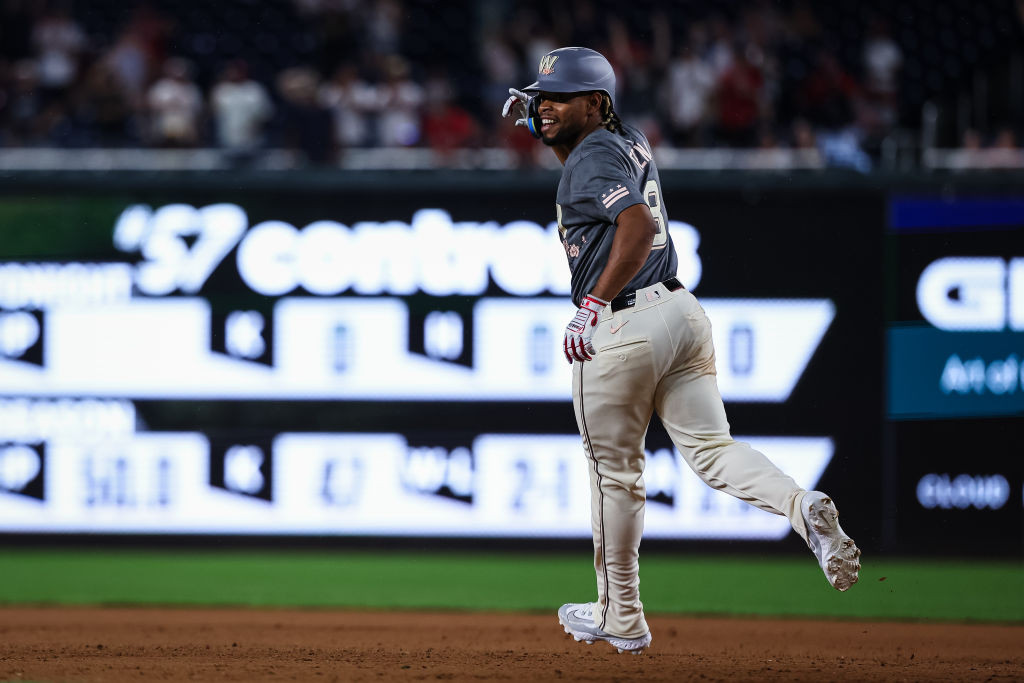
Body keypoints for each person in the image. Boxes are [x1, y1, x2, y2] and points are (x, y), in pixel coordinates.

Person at [502, 46, 860, 655]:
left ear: (597, 103)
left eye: (560, 98)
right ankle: (803, 507)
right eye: (541, 98)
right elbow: (595, 175)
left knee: (615, 478)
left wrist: (592, 305)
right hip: (681, 314)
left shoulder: (589, 158)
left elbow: (635, 226)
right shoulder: (625, 140)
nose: (545, 107)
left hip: (623, 322)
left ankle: (624, 617)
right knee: (713, 452)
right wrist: (544, 123)